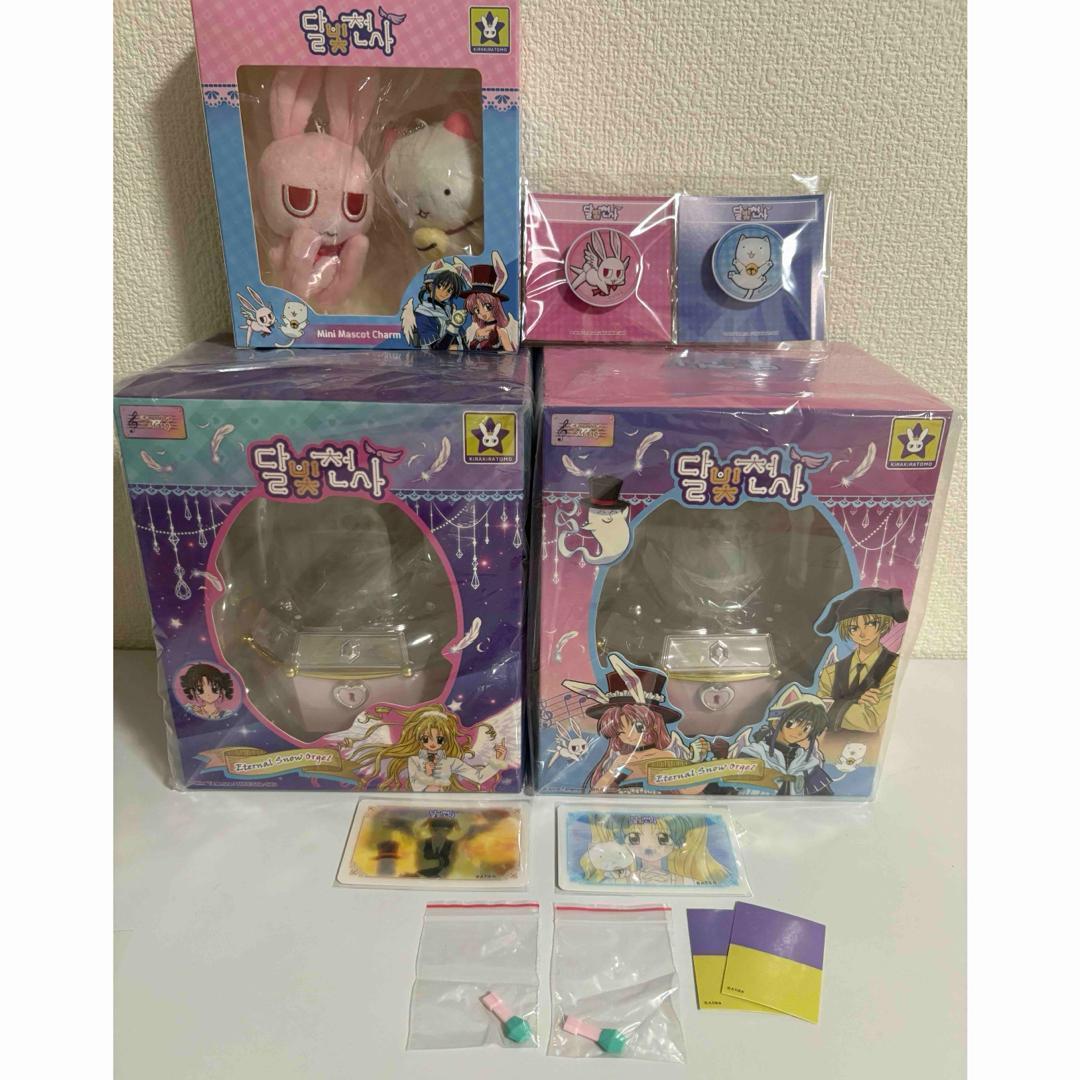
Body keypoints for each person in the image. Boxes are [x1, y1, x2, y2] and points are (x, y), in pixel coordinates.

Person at [815, 587, 909, 732]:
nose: (862, 633)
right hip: (828, 743)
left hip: (876, 744)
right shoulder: (830, 672)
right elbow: (816, 715)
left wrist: (834, 705)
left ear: (883, 624)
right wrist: (856, 703)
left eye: (870, 624)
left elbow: (871, 721)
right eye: (854, 628)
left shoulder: (895, 668)